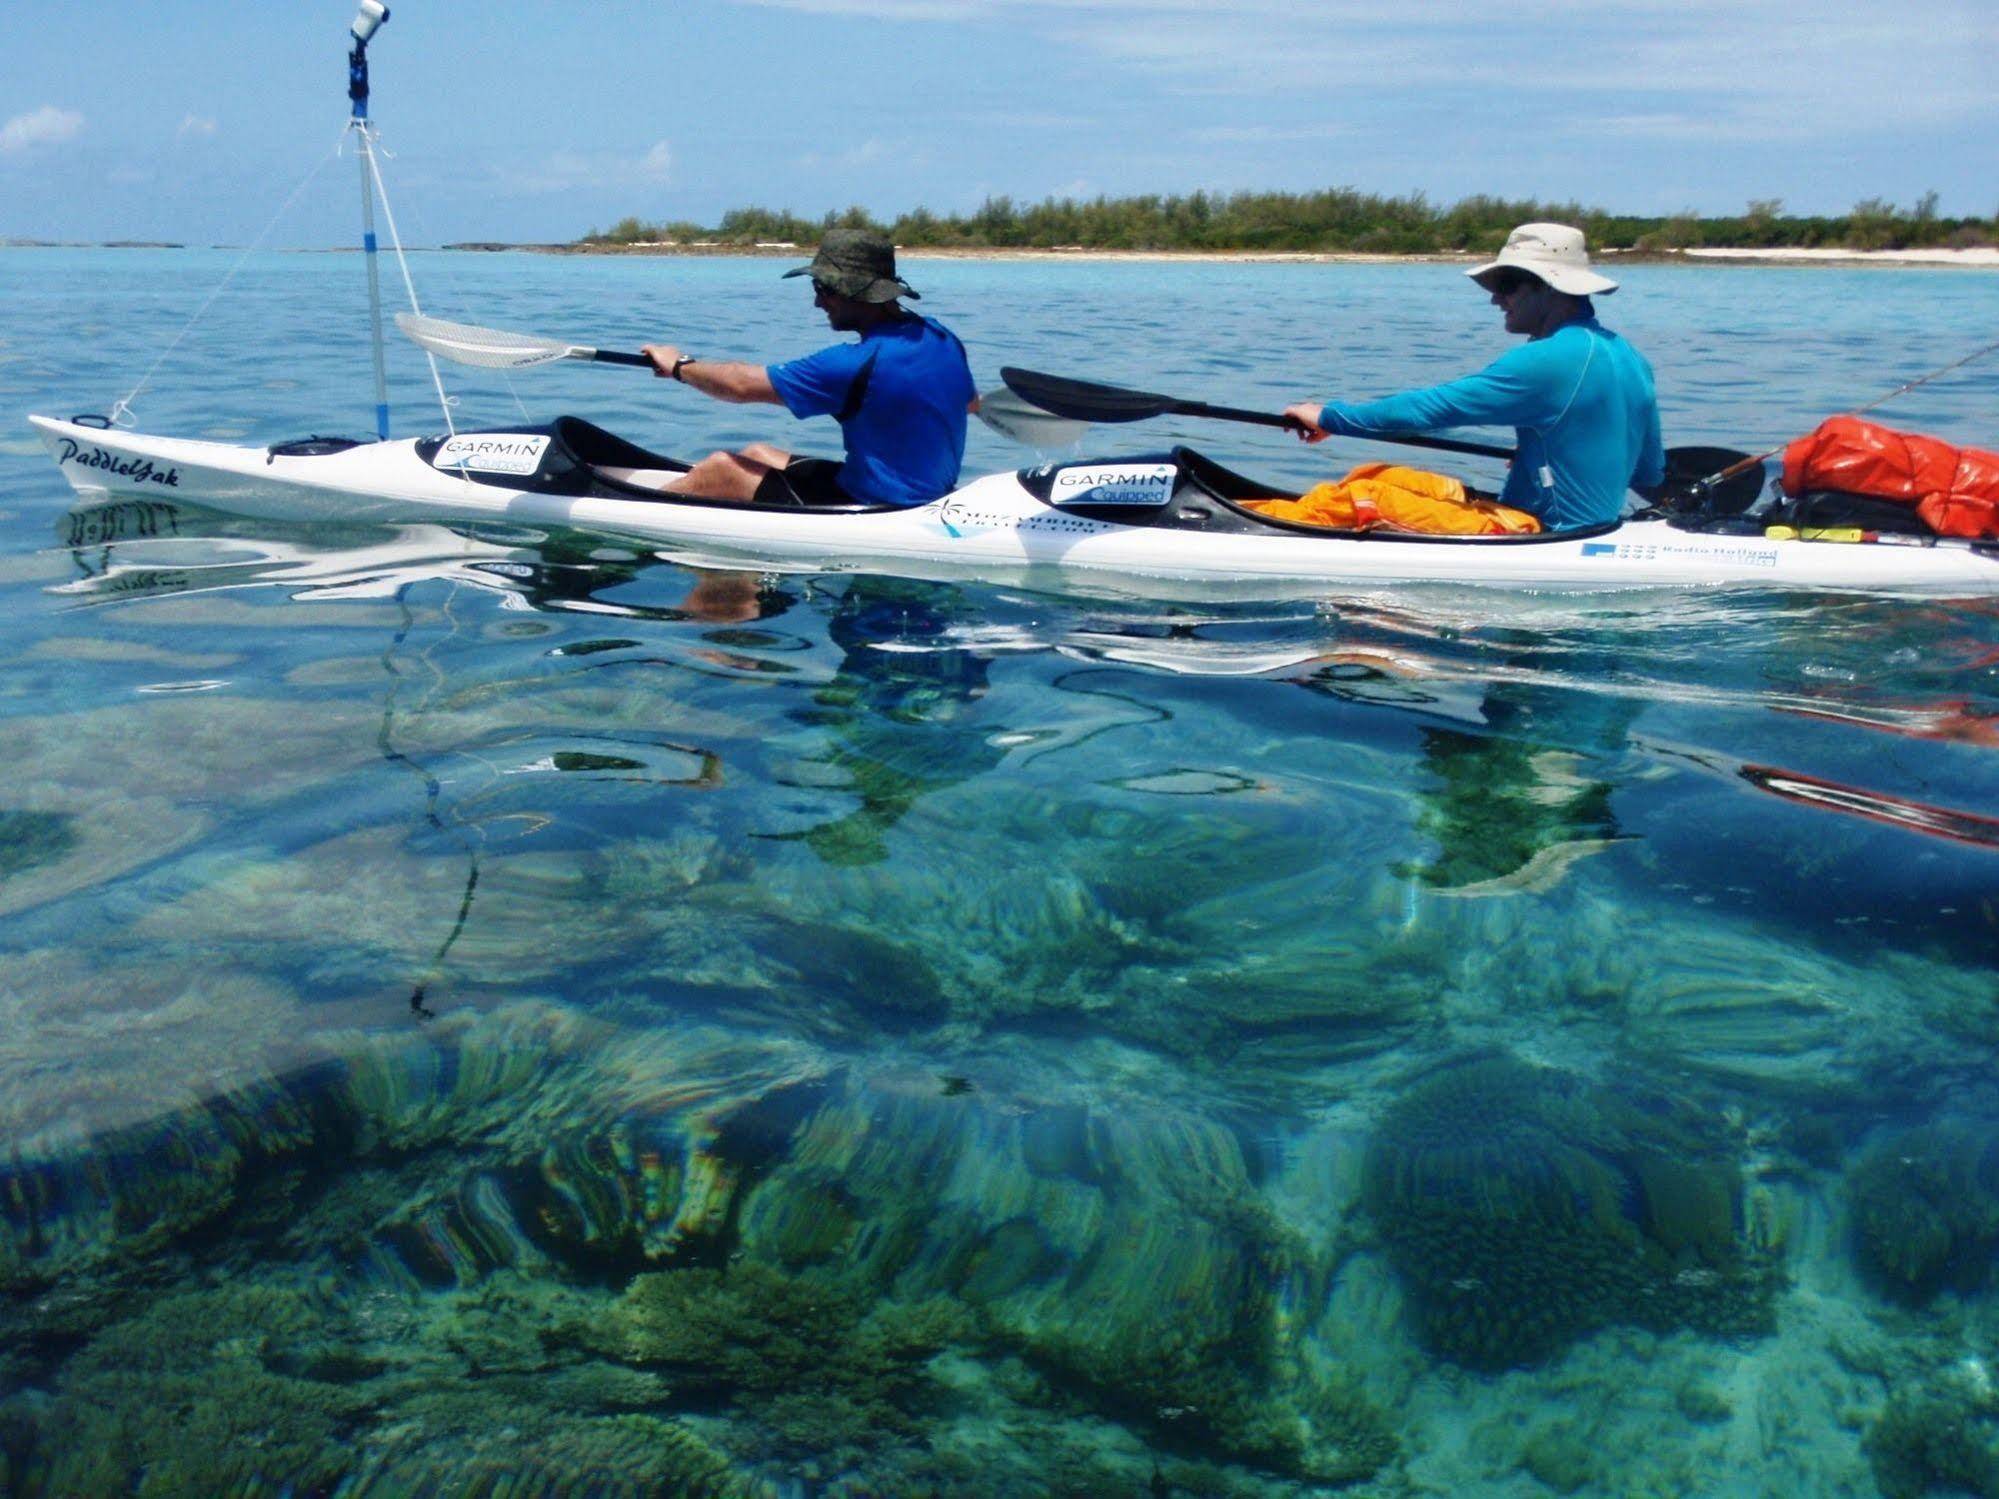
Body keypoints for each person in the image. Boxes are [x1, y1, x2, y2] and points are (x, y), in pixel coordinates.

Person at [1283, 223, 1665, 530]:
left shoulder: (1546, 361)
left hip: (1539, 531)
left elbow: (1427, 411)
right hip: (1583, 523)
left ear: (1550, 288)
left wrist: (1330, 417)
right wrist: (1541, 456)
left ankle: (1250, 530)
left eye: (1507, 285)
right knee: (1379, 474)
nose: (1496, 299)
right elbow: (1648, 473)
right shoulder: (1631, 357)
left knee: (1360, 493)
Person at [640, 229, 976, 508]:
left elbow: (740, 385)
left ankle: (632, 512)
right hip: (924, 493)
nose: (818, 302)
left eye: (823, 289)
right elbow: (971, 404)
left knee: (721, 469)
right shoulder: (941, 337)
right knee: (758, 453)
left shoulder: (856, 363)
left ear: (854, 290)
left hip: (881, 506)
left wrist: (679, 365)